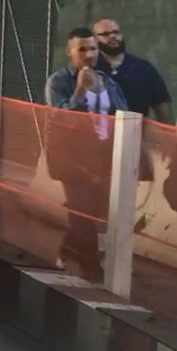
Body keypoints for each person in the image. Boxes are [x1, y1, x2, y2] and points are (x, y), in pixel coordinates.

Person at [44, 26, 130, 282]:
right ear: (70, 51)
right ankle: (91, 269)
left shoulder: (108, 82)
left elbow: (123, 113)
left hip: (101, 155)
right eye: (82, 49)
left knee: (90, 210)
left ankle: (68, 248)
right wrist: (80, 91)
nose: (89, 54)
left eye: (92, 49)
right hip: (71, 155)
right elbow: (60, 118)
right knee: (82, 211)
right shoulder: (58, 81)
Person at [92, 19, 173, 124]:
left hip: (137, 129)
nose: (113, 36)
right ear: (95, 39)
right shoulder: (92, 67)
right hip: (98, 129)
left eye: (116, 32)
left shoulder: (143, 68)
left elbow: (161, 104)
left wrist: (166, 129)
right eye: (106, 34)